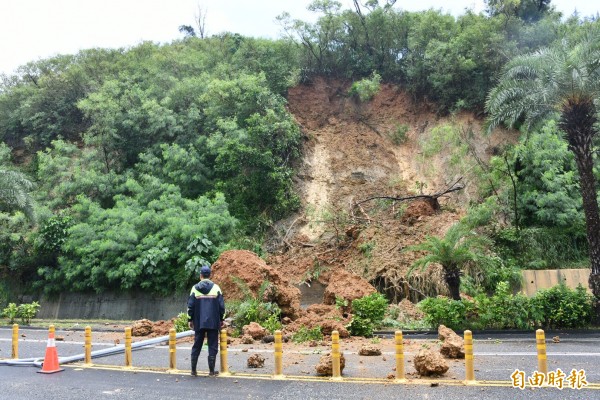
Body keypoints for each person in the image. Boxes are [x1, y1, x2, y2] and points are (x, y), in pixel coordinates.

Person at [187, 264, 225, 376]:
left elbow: (190, 306)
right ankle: (211, 371)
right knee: (212, 345)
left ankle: (193, 371)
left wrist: (190, 319)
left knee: (197, 345)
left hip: (198, 322)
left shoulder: (194, 288)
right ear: (210, 275)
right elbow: (222, 307)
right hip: (213, 322)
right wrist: (221, 319)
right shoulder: (216, 288)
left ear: (201, 276)